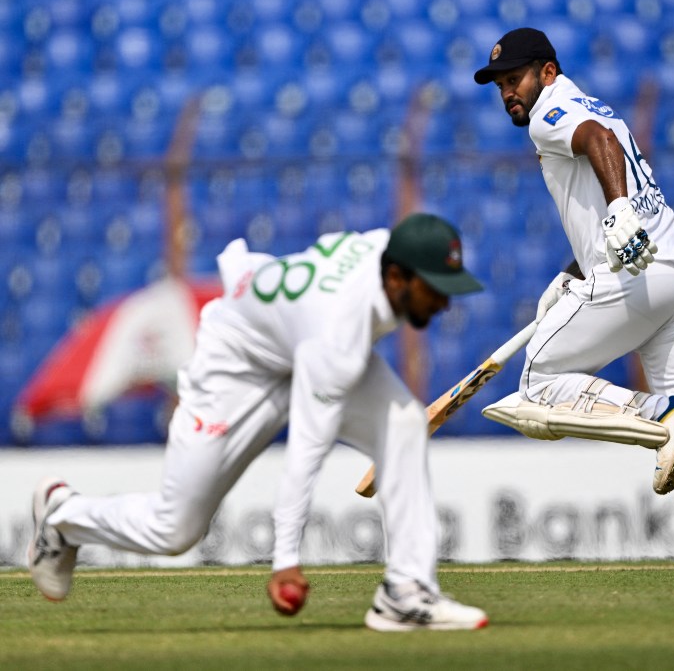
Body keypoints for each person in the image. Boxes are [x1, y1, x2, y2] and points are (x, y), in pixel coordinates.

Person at [28, 213, 492, 632]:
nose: (443, 305)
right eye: (434, 290)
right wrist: (285, 561)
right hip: (237, 368)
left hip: (296, 341)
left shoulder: (384, 255)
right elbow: (307, 450)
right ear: (396, 276)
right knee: (175, 530)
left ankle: (405, 594)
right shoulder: (338, 333)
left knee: (405, 426)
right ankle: (64, 517)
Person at [471, 27, 674, 569]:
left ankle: (661, 413)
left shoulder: (551, 112)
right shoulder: (581, 102)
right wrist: (570, 275)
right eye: (501, 85)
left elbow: (597, 141)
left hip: (636, 281)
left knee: (536, 384)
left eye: (516, 79)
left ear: (547, 73)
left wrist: (618, 214)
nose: (509, 92)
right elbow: (604, 199)